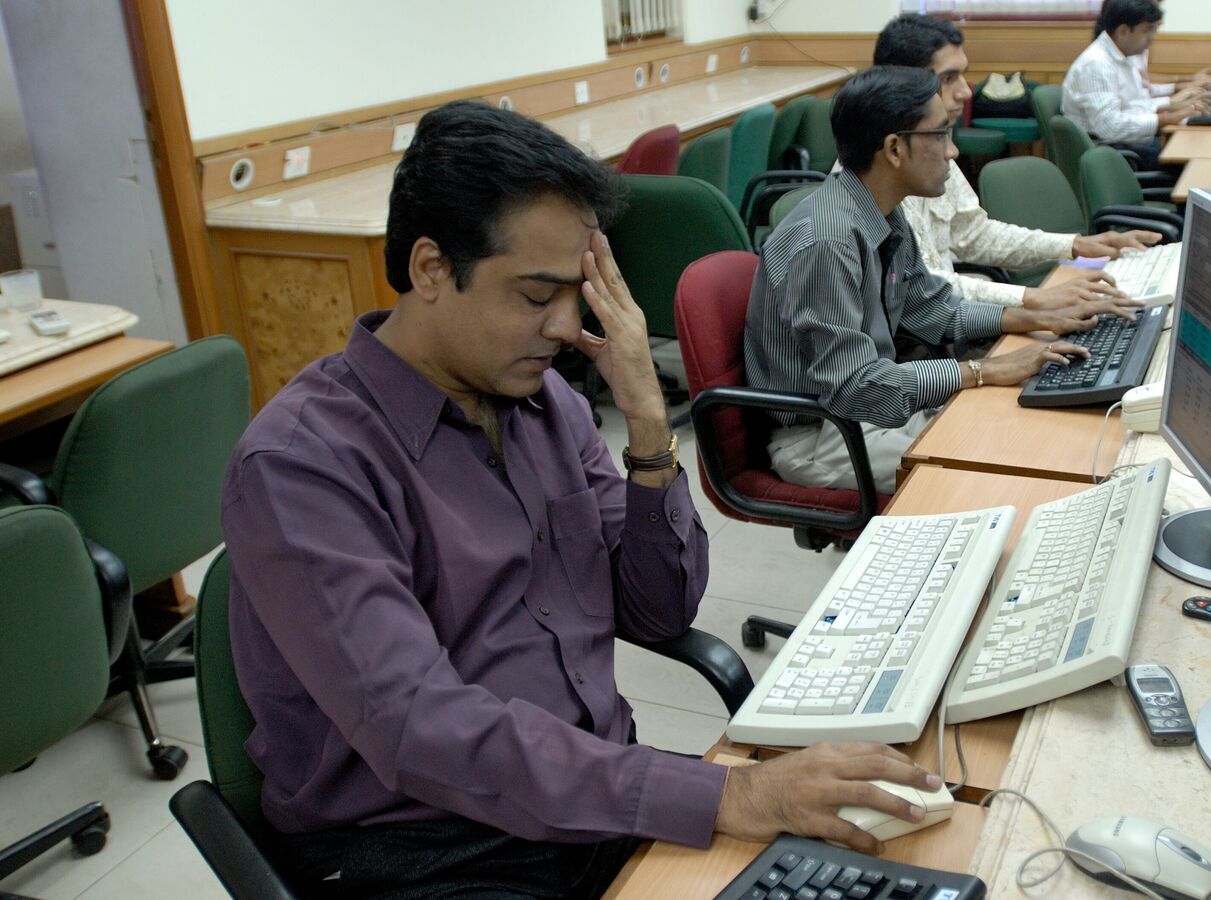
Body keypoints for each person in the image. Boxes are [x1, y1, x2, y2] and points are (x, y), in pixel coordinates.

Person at [221, 100, 944, 900]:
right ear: (430, 269)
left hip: (585, 798)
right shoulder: (303, 465)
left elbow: (658, 613)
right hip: (427, 848)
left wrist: (646, 420)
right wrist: (721, 796)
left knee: (884, 863)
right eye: (538, 296)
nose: (569, 326)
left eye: (580, 293)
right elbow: (421, 731)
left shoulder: (545, 405)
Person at [746, 67, 1115, 496]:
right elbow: (854, 387)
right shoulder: (827, 242)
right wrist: (983, 370)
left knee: (1027, 426)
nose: (953, 151)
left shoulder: (883, 211)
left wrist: (1033, 317)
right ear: (894, 149)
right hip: (825, 434)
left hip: (872, 407)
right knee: (1009, 471)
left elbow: (931, 308)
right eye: (940, 135)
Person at [872, 13, 1160, 311]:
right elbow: (917, 289)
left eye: (962, 75)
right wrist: (1032, 298)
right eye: (948, 78)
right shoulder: (875, 167)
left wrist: (1075, 245)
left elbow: (973, 234)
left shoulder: (933, 143)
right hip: (923, 334)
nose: (966, 91)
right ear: (902, 84)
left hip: (952, 319)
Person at [1061, 0, 1211, 170]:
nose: (1151, 38)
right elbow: (1110, 127)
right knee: (1195, 159)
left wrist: (1175, 107)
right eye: (1147, 30)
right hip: (1112, 154)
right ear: (1123, 31)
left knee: (1198, 148)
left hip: (1126, 143)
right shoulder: (1097, 64)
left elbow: (1135, 104)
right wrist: (1167, 118)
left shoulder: (1123, 56)